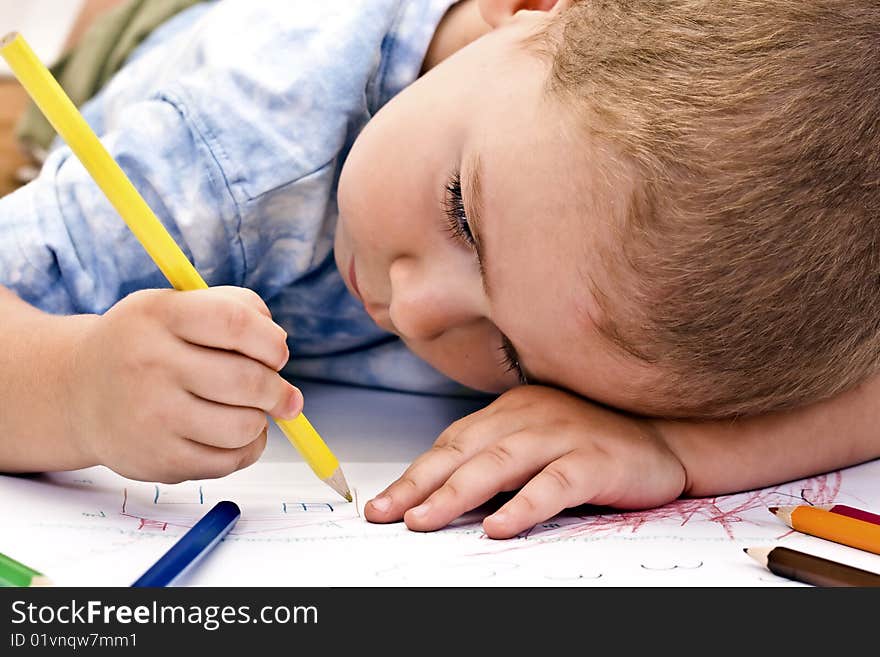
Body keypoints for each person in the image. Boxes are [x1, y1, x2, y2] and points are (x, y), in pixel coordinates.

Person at [1, 0, 879, 540]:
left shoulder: (689, 268)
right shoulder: (224, 150)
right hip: (161, 53)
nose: (414, 310)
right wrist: (77, 386)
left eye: (512, 354)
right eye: (463, 210)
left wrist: (679, 447)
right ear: (526, 7)